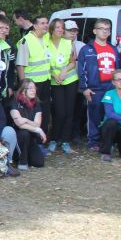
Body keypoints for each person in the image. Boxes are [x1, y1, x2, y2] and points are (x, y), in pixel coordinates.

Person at [77, 18, 120, 152]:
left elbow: (118, 69)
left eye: (107, 29)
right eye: (101, 29)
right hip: (95, 88)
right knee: (94, 116)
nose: (105, 32)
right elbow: (81, 70)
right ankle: (94, 142)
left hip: (111, 88)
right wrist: (84, 88)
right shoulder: (87, 49)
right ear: (95, 31)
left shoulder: (113, 49)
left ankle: (107, 141)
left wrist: (118, 86)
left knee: (110, 115)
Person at [15, 16, 52, 143]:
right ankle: (33, 141)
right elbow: (20, 65)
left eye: (47, 23)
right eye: (42, 23)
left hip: (46, 80)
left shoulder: (46, 37)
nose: (46, 25)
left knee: (44, 110)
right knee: (32, 112)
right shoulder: (26, 41)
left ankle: (42, 139)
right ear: (35, 26)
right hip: (32, 83)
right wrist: (23, 85)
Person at [47, 18, 78, 154]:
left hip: (70, 80)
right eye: (57, 27)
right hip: (55, 81)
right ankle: (54, 139)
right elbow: (44, 63)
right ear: (52, 29)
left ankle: (65, 141)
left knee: (69, 112)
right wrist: (55, 75)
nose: (60, 30)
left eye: (62, 27)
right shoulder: (46, 43)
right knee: (59, 112)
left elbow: (72, 62)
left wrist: (65, 71)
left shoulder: (68, 42)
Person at [9, 79, 46, 170]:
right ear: (22, 90)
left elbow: (37, 124)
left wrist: (25, 120)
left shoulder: (36, 103)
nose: (33, 90)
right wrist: (38, 130)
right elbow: (19, 123)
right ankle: (22, 162)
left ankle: (24, 155)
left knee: (39, 162)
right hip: (17, 136)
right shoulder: (14, 101)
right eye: (30, 88)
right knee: (24, 133)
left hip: (31, 137)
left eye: (34, 88)